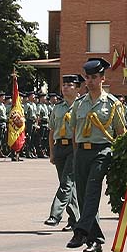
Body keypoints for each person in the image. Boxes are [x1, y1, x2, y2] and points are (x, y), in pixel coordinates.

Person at [65, 58, 126, 252]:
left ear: (103, 78)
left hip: (103, 151)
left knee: (92, 189)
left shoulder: (113, 104)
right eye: (87, 77)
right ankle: (95, 239)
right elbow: (74, 131)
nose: (90, 81)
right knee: (82, 195)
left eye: (94, 77)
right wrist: (76, 154)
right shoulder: (79, 103)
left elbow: (121, 132)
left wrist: (122, 158)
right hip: (82, 151)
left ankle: (81, 230)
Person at [44, 74, 83, 232]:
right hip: (60, 147)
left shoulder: (81, 106)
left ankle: (55, 215)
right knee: (67, 185)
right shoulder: (57, 107)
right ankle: (75, 219)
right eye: (64, 85)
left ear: (78, 88)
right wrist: (52, 152)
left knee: (66, 183)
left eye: (70, 85)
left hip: (75, 148)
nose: (65, 87)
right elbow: (52, 131)